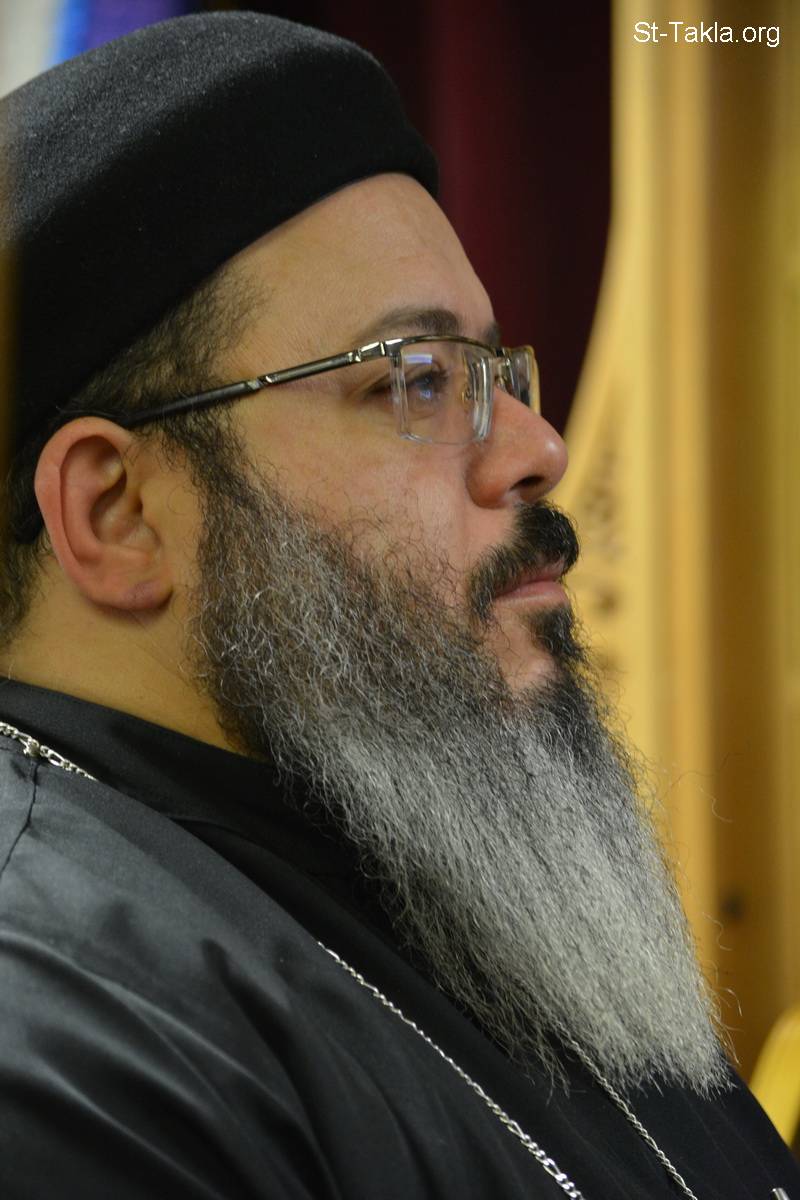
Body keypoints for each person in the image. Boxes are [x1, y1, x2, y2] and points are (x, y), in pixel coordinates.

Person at [0, 11, 796, 1199]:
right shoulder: (53, 1045)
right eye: (416, 380)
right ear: (118, 512)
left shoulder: (435, 847)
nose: (536, 448)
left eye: (496, 372)